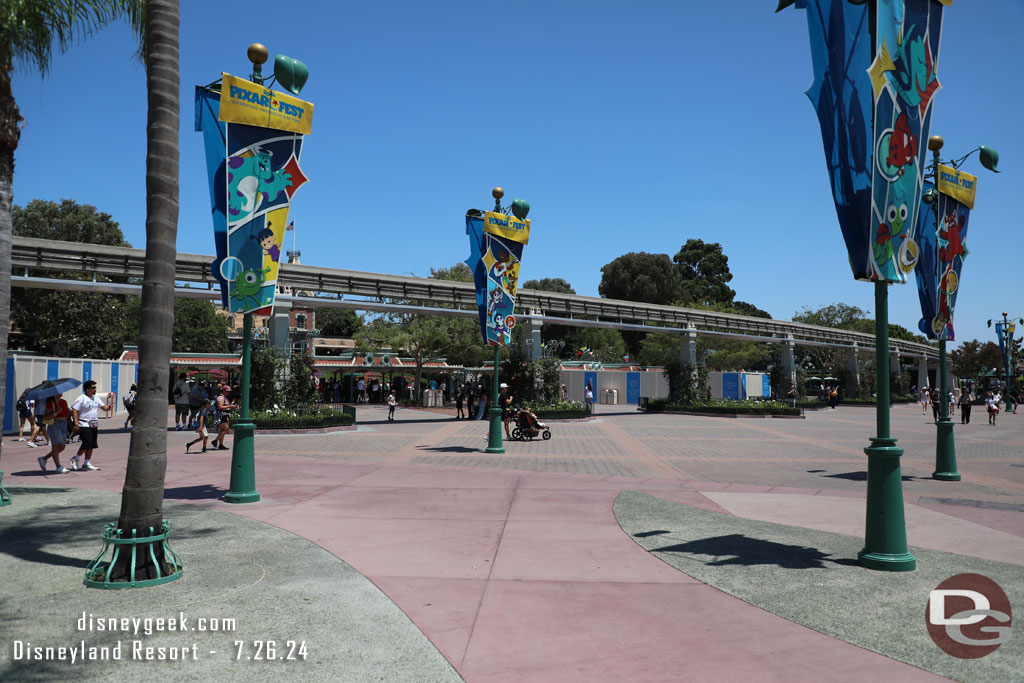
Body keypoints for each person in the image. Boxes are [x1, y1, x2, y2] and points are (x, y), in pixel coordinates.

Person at [71, 381, 104, 471]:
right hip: (84, 423)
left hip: (94, 424)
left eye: (95, 388)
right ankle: (75, 458)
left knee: (92, 444)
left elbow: (103, 407)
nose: (95, 389)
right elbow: (74, 410)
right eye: (93, 388)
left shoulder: (96, 398)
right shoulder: (81, 398)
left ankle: (87, 463)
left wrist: (108, 407)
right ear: (87, 389)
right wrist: (76, 423)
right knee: (86, 443)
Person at [37, 393, 71, 473]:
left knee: (62, 447)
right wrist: (56, 412)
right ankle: (58, 467)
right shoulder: (50, 403)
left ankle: (44, 458)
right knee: (55, 446)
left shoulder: (63, 402)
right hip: (55, 425)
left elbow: (67, 415)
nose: (61, 393)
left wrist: (71, 425)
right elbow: (46, 417)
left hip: (64, 424)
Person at [210, 385, 238, 451]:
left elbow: (226, 405)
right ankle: (215, 441)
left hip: (224, 415)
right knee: (226, 429)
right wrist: (231, 406)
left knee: (222, 430)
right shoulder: (221, 397)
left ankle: (220, 444)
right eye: (227, 391)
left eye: (229, 392)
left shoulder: (224, 397)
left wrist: (231, 404)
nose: (228, 393)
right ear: (223, 391)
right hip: (221, 415)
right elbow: (220, 407)